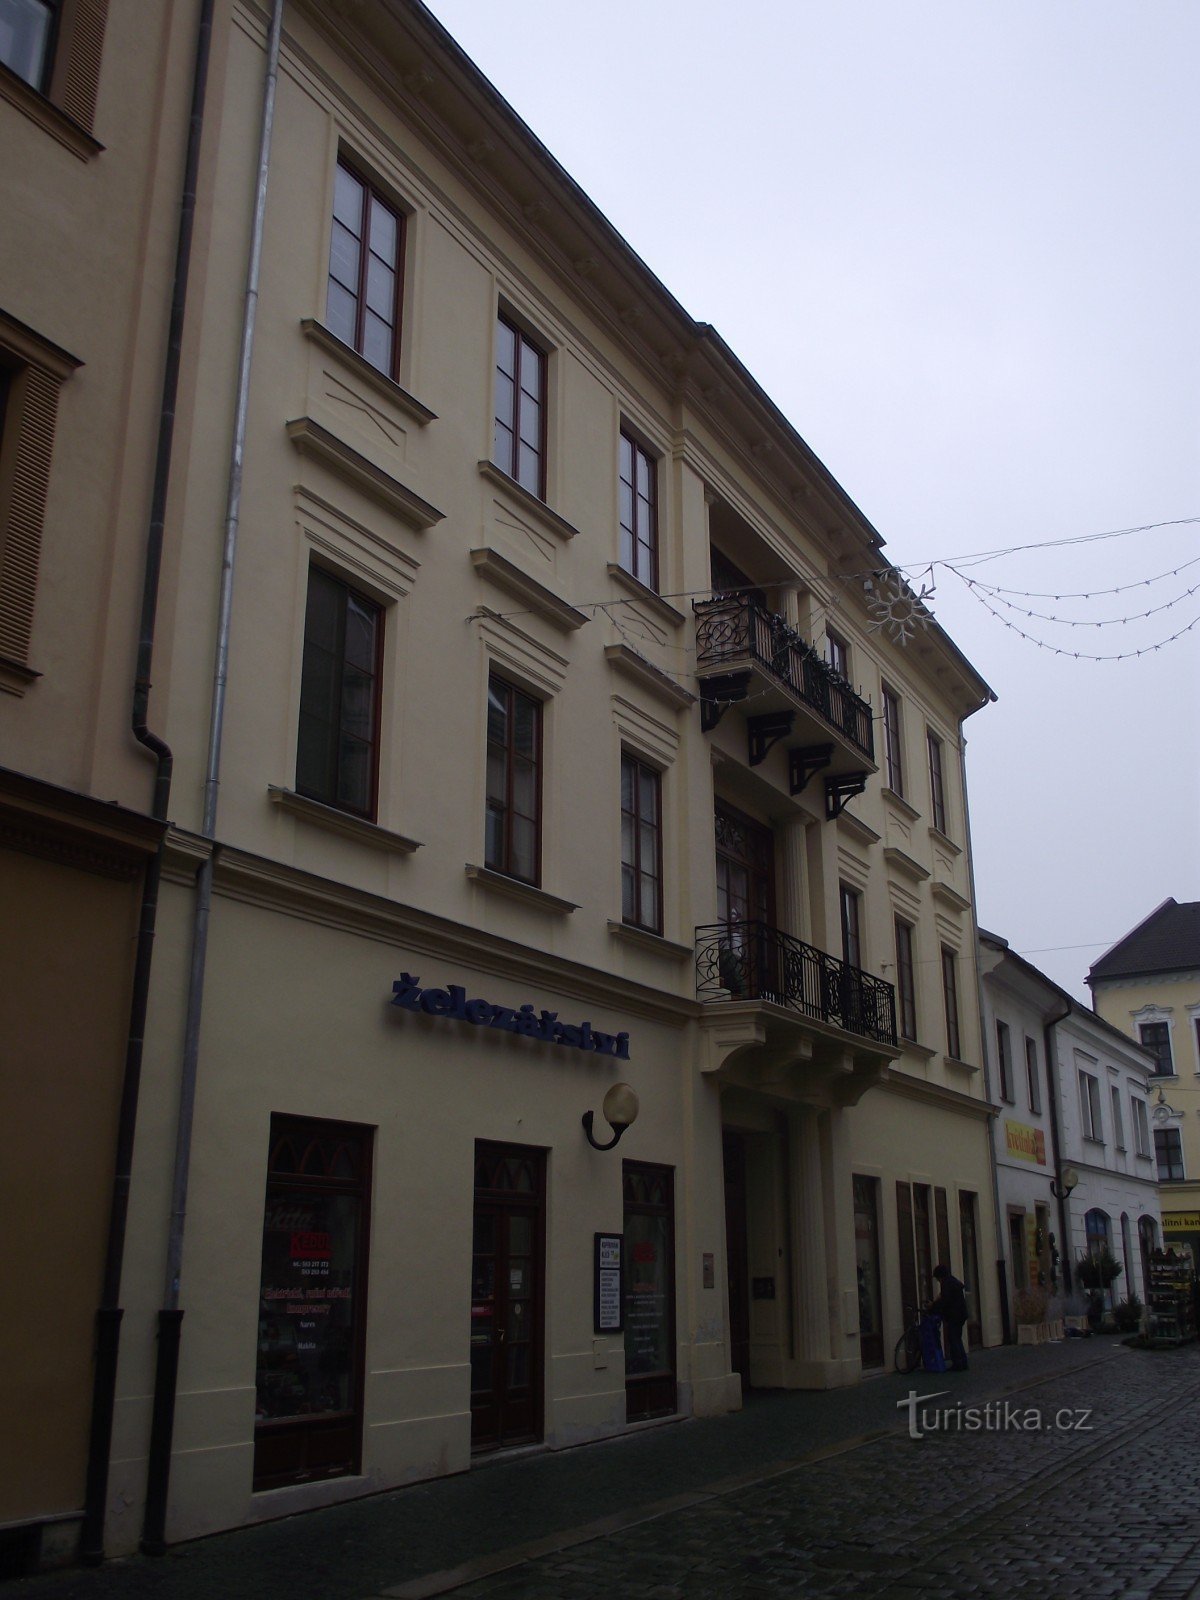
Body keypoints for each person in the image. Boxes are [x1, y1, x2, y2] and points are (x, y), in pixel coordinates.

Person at [928, 1263, 969, 1370]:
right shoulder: (952, 1282)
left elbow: (945, 1301)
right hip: (961, 1314)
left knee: (953, 1338)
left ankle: (958, 1363)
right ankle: (963, 1361)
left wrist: (933, 1307)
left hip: (954, 1315)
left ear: (940, 1276)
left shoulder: (946, 1284)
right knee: (957, 1338)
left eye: (937, 1278)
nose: (938, 1281)